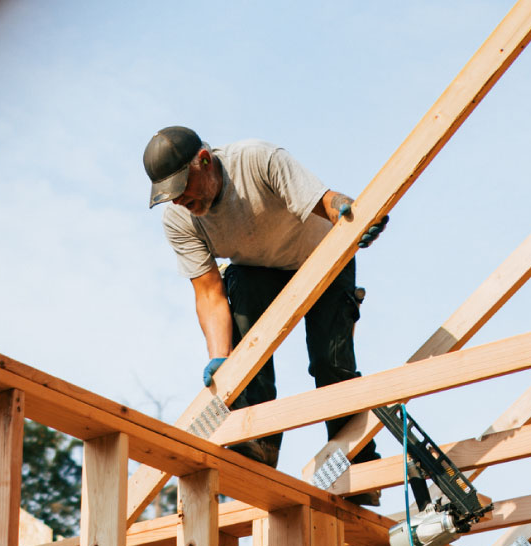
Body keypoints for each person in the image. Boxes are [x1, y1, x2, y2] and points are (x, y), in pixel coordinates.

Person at [143, 125, 385, 499]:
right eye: (169, 196)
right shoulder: (179, 220)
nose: (178, 202)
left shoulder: (257, 160)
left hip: (320, 258)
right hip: (257, 272)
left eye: (181, 191)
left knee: (329, 363)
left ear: (204, 162)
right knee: (237, 288)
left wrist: (351, 216)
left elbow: (326, 201)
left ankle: (356, 461)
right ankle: (256, 441)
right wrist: (221, 359)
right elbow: (208, 291)